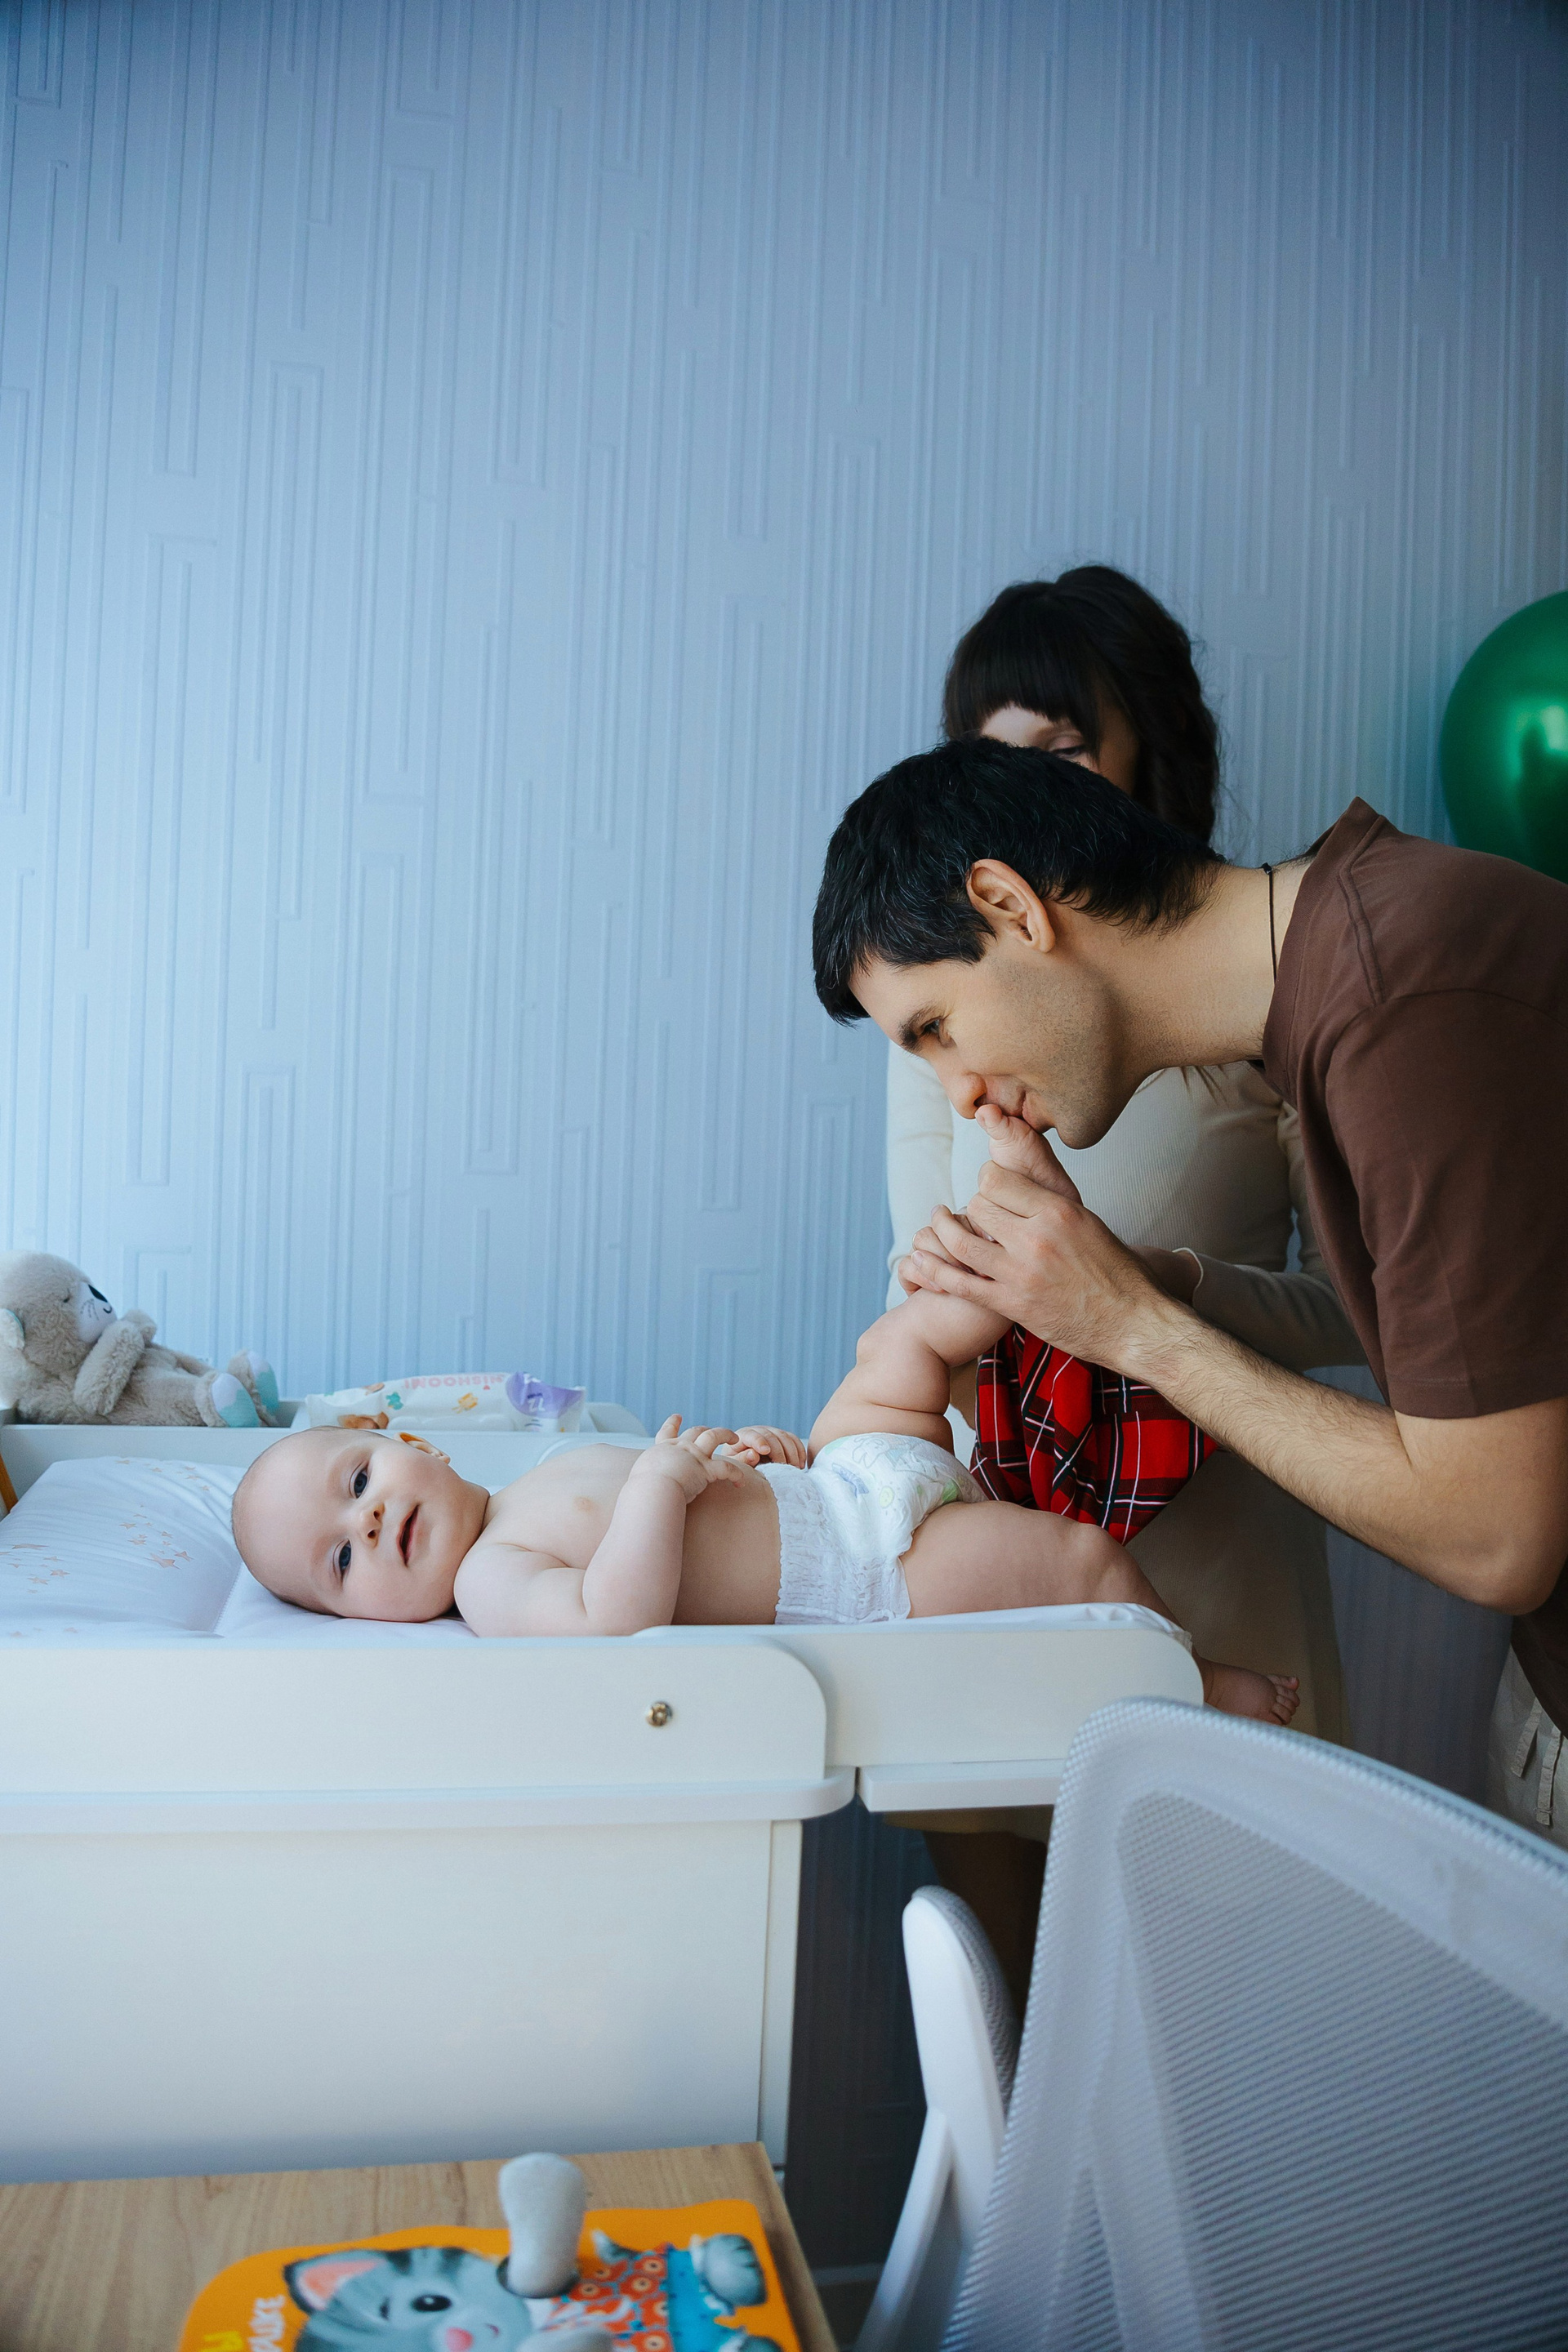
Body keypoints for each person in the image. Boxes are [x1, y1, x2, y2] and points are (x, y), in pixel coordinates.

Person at [813, 737, 1568, 1845]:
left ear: (1011, 908)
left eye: (936, 1028)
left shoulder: (1399, 998)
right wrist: (1129, 1290)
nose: (960, 1093)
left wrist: (1133, 1324)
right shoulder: (1365, 961)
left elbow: (1495, 1536)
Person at [889, 571, 1360, 1743]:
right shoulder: (937, 1031)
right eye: (994, 760)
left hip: (1221, 1573)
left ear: (1151, 747)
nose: (1025, 793)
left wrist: (1155, 1291)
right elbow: (913, 1285)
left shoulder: (1265, 1002)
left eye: (1063, 749)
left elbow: (1361, 1318)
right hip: (990, 1569)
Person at [229, 1215, 1298, 1720]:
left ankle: (1047, 1276)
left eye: (357, 1485)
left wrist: (752, 1451)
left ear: (410, 1444)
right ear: (357, 1616)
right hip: (872, 1577)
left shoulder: (541, 1465)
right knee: (1076, 1564)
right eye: (339, 1562)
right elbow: (612, 1620)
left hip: (833, 1482)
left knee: (898, 1345)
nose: (368, 1525)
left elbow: (710, 1490)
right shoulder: (488, 1582)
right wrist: (660, 1484)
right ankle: (1201, 1681)